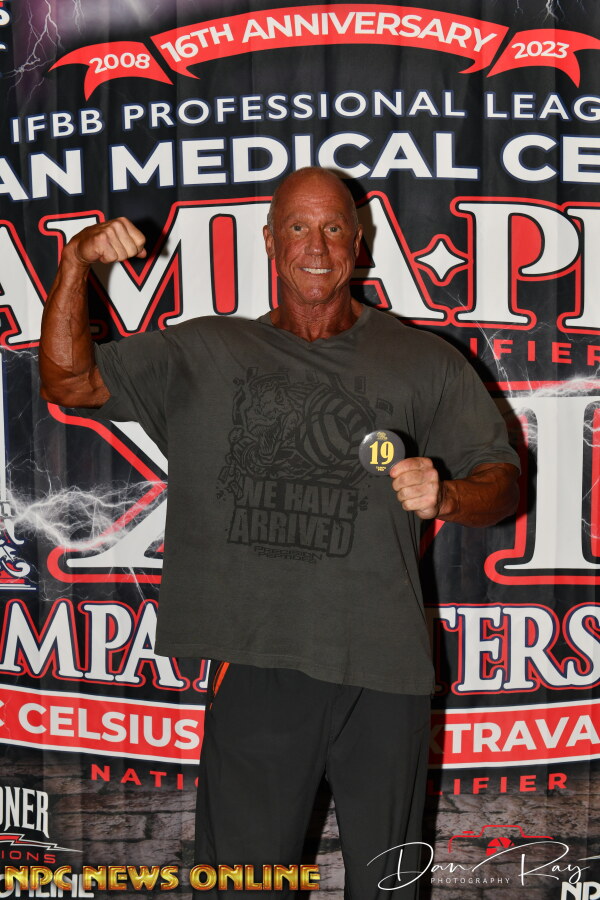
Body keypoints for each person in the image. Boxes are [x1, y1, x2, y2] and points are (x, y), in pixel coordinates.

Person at [39, 167, 519, 897]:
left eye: (333, 228)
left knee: (389, 888)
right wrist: (77, 263)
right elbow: (69, 382)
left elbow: (505, 481)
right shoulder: (206, 351)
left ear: (358, 244)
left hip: (384, 670)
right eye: (298, 227)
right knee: (245, 884)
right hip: (258, 662)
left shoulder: (424, 359)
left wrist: (449, 492)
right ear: (269, 241)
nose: (316, 247)